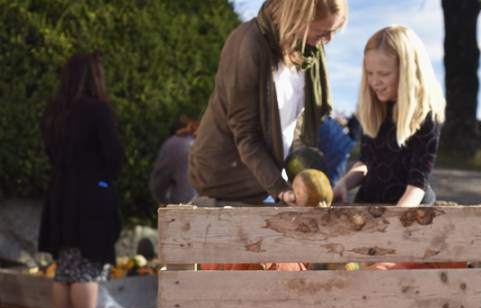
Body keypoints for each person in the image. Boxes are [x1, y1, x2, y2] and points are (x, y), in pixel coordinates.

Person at [187, 0, 348, 206]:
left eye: (334, 30)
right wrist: (280, 189)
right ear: (295, 18)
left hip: (268, 181)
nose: (329, 39)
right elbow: (247, 136)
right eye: (322, 32)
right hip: (227, 183)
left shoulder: (308, 50)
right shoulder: (248, 44)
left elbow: (298, 120)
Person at [38, 52, 124, 308]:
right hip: (91, 197)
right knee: (87, 265)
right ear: (94, 77)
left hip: (60, 196)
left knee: (65, 267)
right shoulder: (97, 111)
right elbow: (114, 157)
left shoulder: (54, 111)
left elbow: (49, 153)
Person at [332, 25, 445, 206]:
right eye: (369, 73)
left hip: (409, 209)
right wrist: (344, 183)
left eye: (384, 74)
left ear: (408, 72)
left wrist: (396, 220)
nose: (375, 82)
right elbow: (366, 161)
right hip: (370, 204)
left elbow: (418, 182)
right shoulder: (375, 110)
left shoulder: (425, 116)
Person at [149, 115, 198, 205]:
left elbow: (159, 182)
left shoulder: (172, 144)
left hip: (183, 207)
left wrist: (162, 200)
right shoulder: (204, 142)